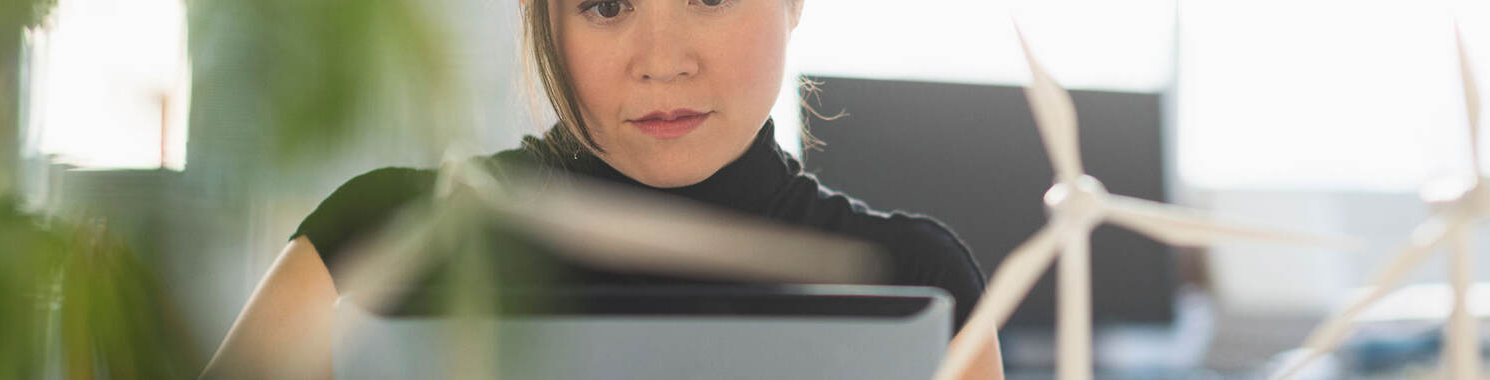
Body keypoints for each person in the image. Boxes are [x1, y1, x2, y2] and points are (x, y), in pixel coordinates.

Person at [200, 0, 1004, 378]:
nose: (661, 59)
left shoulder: (918, 284)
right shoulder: (376, 246)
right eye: (607, 5)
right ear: (542, 18)